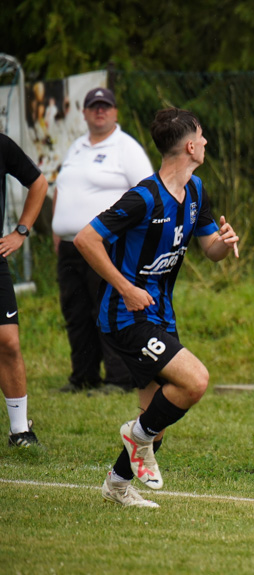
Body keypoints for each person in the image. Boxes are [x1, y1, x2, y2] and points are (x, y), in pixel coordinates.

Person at [75, 108, 240, 507]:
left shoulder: (196, 190)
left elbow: (210, 250)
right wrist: (126, 287)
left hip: (161, 315)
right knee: (194, 381)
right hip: (124, 316)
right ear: (189, 145)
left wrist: (225, 241)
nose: (204, 142)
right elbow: (85, 240)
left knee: (158, 417)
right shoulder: (143, 198)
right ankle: (137, 435)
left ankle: (117, 485)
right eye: (201, 136)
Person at [53, 87, 154, 394]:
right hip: (71, 247)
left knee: (108, 310)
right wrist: (58, 234)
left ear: (115, 113)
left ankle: (119, 378)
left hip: (107, 244)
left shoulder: (126, 148)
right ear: (83, 113)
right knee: (76, 311)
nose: (100, 111)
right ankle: (83, 377)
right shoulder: (76, 148)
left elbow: (148, 194)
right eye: (94, 106)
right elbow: (62, 189)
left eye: (105, 106)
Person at [0, 134, 48, 447]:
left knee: (9, 341)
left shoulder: (2, 146)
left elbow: (39, 183)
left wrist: (21, 231)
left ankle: (20, 431)